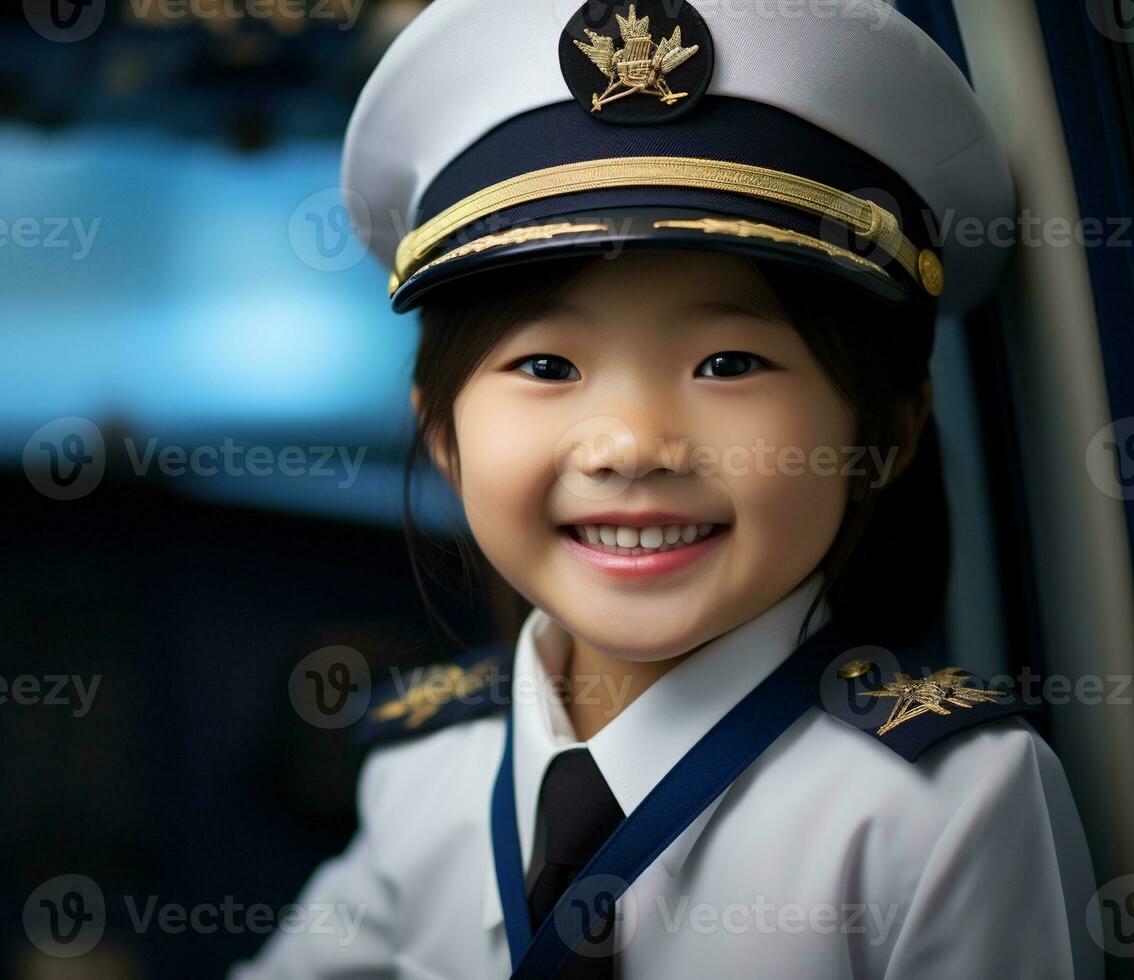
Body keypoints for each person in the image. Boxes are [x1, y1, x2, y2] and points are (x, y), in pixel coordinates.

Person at [234, 0, 1103, 976]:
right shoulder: (423, 772)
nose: (631, 445)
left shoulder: (941, 809)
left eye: (729, 362)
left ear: (886, 429)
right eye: (548, 365)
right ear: (441, 429)